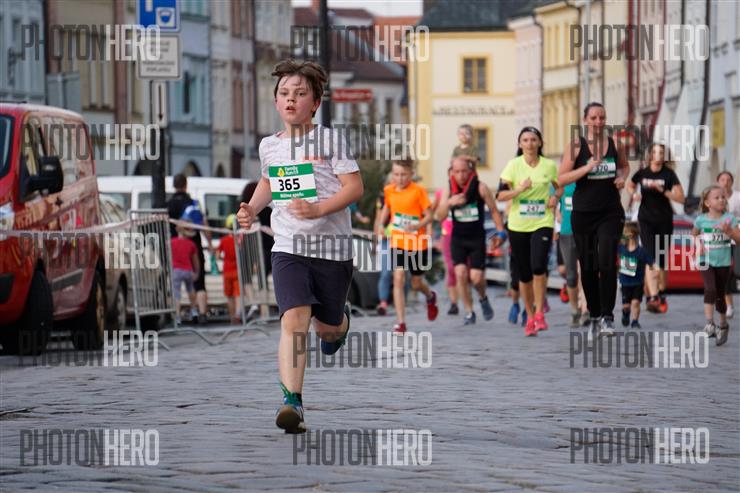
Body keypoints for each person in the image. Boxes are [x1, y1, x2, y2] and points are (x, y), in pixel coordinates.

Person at [236, 59, 363, 433]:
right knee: (294, 320)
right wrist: (251, 209)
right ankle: (292, 401)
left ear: (316, 102)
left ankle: (340, 323)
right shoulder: (269, 146)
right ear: (276, 101)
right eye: (284, 93)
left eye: (300, 93)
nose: (291, 99)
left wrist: (319, 208)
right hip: (288, 246)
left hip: (332, 250)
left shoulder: (329, 141)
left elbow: (355, 187)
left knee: (326, 329)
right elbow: (268, 182)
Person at [558, 102, 629, 343]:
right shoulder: (576, 146)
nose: (598, 122)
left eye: (602, 117)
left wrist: (621, 178)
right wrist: (586, 168)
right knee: (589, 267)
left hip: (610, 211)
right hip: (583, 213)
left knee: (607, 261)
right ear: (585, 120)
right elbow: (561, 178)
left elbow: (624, 167)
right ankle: (595, 316)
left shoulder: (615, 143)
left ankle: (608, 317)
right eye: (594, 118)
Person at [497, 126, 561, 336]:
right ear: (520, 144)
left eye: (533, 139)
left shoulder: (549, 165)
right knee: (524, 274)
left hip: (542, 221)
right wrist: (519, 189)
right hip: (518, 225)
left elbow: (559, 187)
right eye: (525, 140)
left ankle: (540, 312)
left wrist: (555, 197)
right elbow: (500, 196)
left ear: (540, 143)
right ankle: (530, 316)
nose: (530, 143)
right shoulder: (513, 166)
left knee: (538, 266)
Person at [436, 156, 504, 324]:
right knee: (460, 273)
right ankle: (469, 311)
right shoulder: (449, 190)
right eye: (457, 172)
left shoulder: (481, 187)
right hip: (458, 239)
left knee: (476, 278)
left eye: (464, 171)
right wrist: (449, 203)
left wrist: (500, 232)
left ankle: (483, 297)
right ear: (452, 172)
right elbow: (439, 216)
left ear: (470, 171)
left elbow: (494, 210)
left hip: (476, 239)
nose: (461, 175)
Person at [376, 159, 439, 334]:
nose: (400, 178)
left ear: (411, 174)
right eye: (396, 174)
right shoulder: (389, 190)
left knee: (416, 284)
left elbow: (429, 216)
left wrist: (418, 225)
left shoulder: (419, 191)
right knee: (398, 277)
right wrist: (381, 225)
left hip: (417, 244)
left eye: (404, 174)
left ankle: (430, 296)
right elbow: (387, 208)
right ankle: (401, 322)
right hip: (398, 241)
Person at [627, 143, 684, 314]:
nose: (658, 155)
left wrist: (663, 191)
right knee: (650, 257)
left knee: (662, 262)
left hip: (664, 220)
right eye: (655, 152)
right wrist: (634, 194)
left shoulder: (669, 174)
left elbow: (681, 198)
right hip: (646, 220)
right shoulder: (642, 173)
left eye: (661, 152)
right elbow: (630, 185)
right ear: (650, 155)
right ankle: (653, 297)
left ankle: (661, 292)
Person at [693, 186, 737, 346]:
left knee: (720, 295)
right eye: (716, 198)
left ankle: (723, 325)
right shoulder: (700, 220)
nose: (721, 200)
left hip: (723, 262)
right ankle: (710, 324)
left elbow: (739, 239)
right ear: (707, 203)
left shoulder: (730, 219)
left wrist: (729, 231)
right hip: (705, 260)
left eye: (723, 197)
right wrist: (698, 245)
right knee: (710, 288)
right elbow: (694, 234)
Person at [167, 174, 211, 324]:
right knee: (199, 283)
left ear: (174, 185)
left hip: (175, 251)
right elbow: (204, 224)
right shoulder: (193, 203)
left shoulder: (169, 205)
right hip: (194, 247)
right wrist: (210, 243)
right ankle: (202, 313)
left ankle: (176, 315)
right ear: (186, 185)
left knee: (176, 288)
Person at [240, 181, 275, 321]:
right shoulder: (267, 211)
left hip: (247, 248)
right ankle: (264, 312)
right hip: (266, 249)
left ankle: (253, 302)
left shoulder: (243, 211)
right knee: (262, 281)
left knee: (246, 277)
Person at [557, 181, 588, 327]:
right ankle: (575, 310)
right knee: (571, 275)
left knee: (586, 271)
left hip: (586, 231)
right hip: (567, 231)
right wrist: (557, 214)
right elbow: (552, 200)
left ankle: (585, 310)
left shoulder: (587, 179)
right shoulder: (562, 181)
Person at [618, 222, 654, 329]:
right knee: (626, 306)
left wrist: (655, 271)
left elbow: (651, 263)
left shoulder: (641, 251)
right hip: (625, 283)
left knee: (635, 303)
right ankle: (626, 314)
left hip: (638, 283)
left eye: (625, 233)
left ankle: (635, 321)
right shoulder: (621, 248)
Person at [435, 169, 459, 315]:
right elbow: (435, 213)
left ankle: (464, 296)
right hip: (447, 234)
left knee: (462, 270)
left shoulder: (466, 192)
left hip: (462, 234)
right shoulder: (441, 193)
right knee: (450, 268)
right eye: (453, 173)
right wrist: (436, 235)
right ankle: (453, 303)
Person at [716, 171, 739, 319]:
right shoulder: (713, 197)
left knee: (737, 271)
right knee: (723, 273)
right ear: (718, 182)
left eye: (728, 180)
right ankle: (729, 305)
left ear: (732, 182)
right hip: (721, 240)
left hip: (737, 238)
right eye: (723, 179)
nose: (725, 182)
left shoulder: (737, 197)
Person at [171, 221, 200, 325]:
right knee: (191, 290)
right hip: (188, 270)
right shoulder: (191, 244)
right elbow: (195, 261)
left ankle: (177, 316)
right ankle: (194, 311)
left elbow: (167, 257)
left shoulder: (170, 242)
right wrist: (197, 272)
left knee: (176, 294)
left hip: (176, 270)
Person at [218, 214, 241, 324]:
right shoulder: (239, 239)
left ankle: (232, 317)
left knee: (229, 296)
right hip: (238, 270)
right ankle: (238, 315)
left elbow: (218, 256)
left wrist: (225, 258)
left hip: (227, 271)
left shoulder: (223, 240)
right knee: (238, 295)